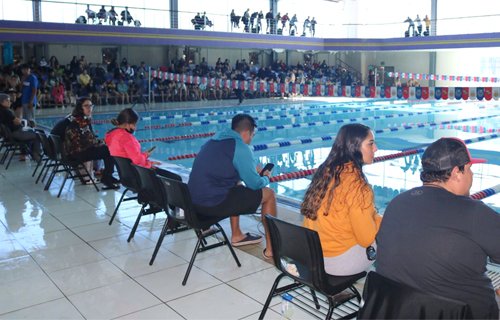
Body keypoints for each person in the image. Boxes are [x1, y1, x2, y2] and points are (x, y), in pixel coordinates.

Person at [376, 137, 500, 319]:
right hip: (462, 314)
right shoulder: (475, 213)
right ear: (457, 172)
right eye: (470, 169)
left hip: (399, 310)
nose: (472, 175)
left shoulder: (396, 203)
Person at [188, 114, 277, 259]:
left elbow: (224, 170)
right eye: (252, 135)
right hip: (211, 205)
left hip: (193, 204)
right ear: (247, 132)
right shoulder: (241, 147)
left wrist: (250, 169)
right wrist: (266, 177)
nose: (251, 140)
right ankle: (272, 250)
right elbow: (254, 185)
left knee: (236, 182)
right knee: (269, 194)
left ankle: (237, 235)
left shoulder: (214, 140)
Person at [301, 123, 381, 276]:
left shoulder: (326, 171)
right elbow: (366, 239)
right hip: (337, 263)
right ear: (355, 147)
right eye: (370, 144)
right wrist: (380, 220)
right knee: (390, 230)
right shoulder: (358, 186)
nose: (375, 148)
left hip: (312, 256)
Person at [63, 97, 119, 189]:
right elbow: (88, 142)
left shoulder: (80, 118)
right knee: (109, 150)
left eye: (91, 106)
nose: (89, 108)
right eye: (86, 106)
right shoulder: (80, 121)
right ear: (80, 108)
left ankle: (107, 176)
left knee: (107, 148)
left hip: (77, 151)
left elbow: (89, 139)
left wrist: (100, 142)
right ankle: (107, 177)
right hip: (77, 154)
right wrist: (103, 142)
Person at [0, 93, 41, 161]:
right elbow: (18, 121)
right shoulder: (6, 111)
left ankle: (24, 155)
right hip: (15, 134)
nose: (10, 102)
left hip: (9, 135)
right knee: (37, 135)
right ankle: (36, 155)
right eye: (8, 100)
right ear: (2, 102)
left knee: (29, 132)